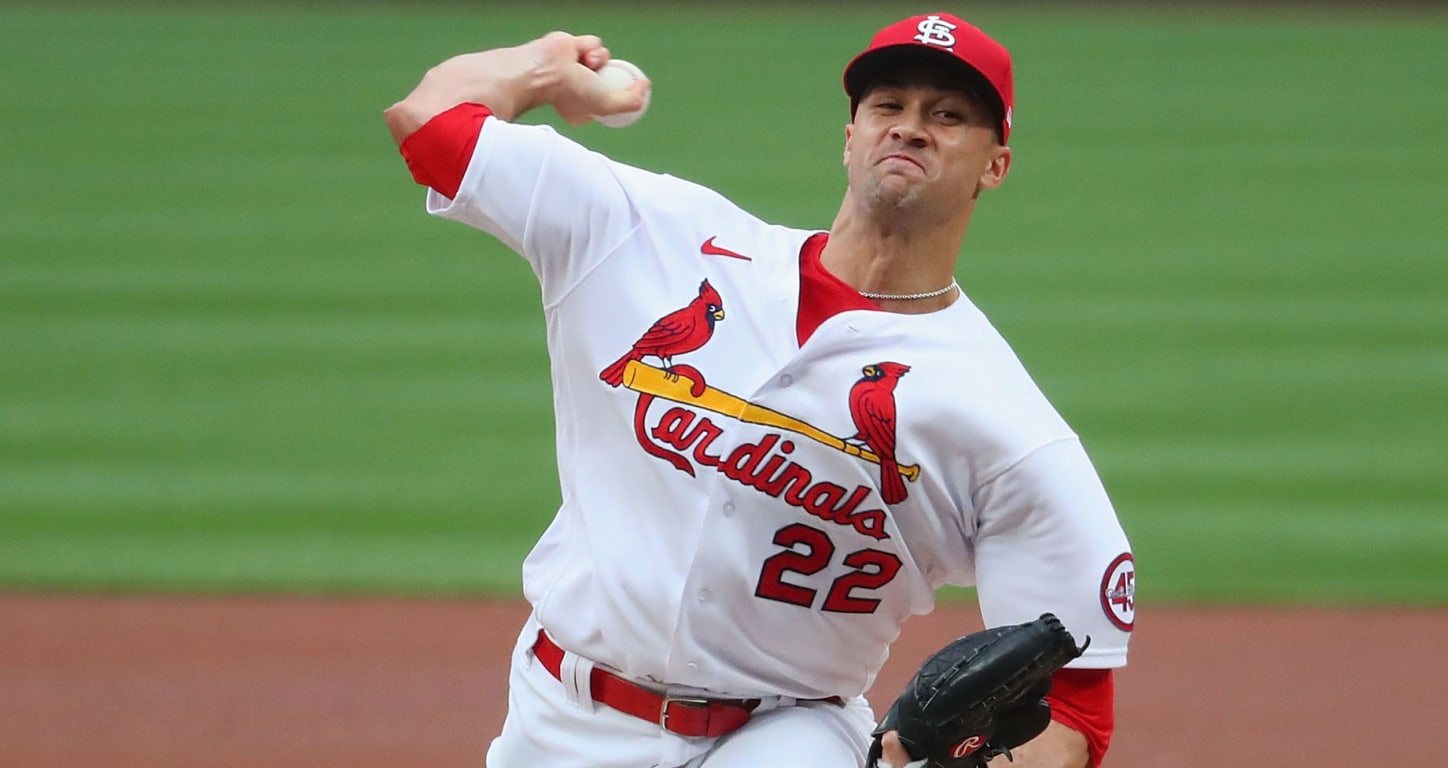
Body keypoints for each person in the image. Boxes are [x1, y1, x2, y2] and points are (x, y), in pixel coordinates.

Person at [384, 11, 1134, 768]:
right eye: (888, 106)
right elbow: (430, 122)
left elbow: (1075, 710)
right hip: (556, 717)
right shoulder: (653, 234)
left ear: (995, 165)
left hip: (784, 739)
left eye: (948, 115)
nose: (910, 128)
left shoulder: (1005, 420)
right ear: (850, 138)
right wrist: (547, 68)